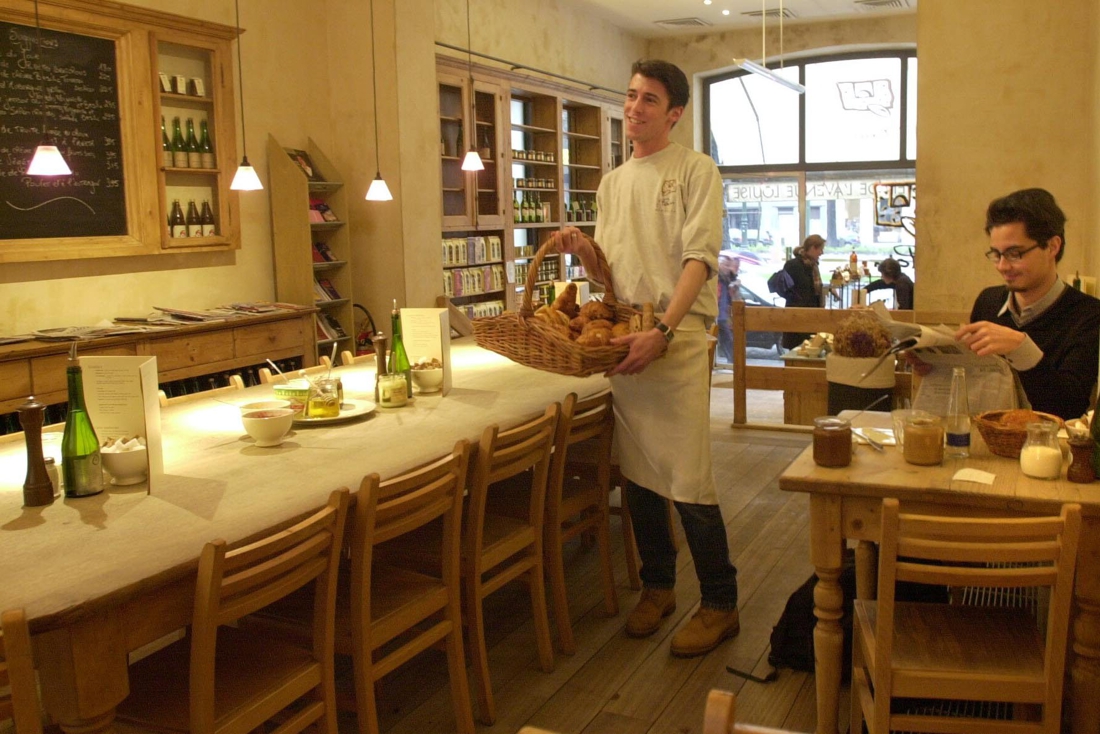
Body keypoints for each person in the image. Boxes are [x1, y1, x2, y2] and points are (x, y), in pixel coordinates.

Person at [549, 59, 739, 658]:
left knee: (688, 477)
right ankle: (658, 588)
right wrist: (584, 253)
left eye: (649, 99)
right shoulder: (611, 182)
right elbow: (612, 274)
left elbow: (699, 259)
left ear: (674, 113)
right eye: (630, 96)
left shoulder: (695, 170)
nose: (635, 107)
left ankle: (720, 602)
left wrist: (663, 327)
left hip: (673, 341)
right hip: (624, 341)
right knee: (639, 476)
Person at [954, 188, 1100, 420]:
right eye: (996, 254)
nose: (1002, 266)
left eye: (1014, 254)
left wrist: (1022, 349)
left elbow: (1069, 408)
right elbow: (975, 382)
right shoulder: (988, 302)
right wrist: (933, 365)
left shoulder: (1089, 315)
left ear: (1053, 246)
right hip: (988, 442)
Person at [780, 234, 825, 350]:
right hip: (796, 317)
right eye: (820, 249)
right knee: (796, 352)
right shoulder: (793, 265)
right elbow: (786, 289)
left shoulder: (813, 266)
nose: (822, 253)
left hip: (811, 316)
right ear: (813, 248)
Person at [716, 251, 740, 364]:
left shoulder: (727, 279)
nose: (728, 268)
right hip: (718, 314)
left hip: (724, 313)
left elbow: (733, 297)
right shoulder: (717, 278)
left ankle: (732, 361)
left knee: (729, 339)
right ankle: (732, 361)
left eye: (729, 265)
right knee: (727, 339)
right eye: (725, 264)